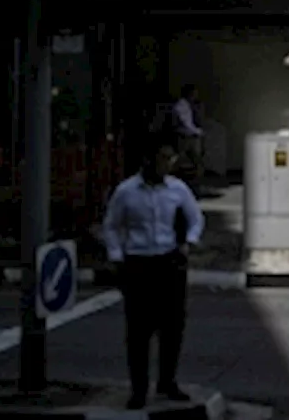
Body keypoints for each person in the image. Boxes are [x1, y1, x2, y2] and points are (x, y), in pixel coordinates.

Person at [103, 136, 205, 409]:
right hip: (138, 262)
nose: (167, 164)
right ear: (148, 160)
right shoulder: (126, 191)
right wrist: (116, 256)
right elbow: (111, 225)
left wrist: (189, 243)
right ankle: (139, 388)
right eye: (162, 158)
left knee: (172, 326)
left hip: (169, 262)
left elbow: (196, 217)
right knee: (138, 329)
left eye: (170, 159)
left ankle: (167, 381)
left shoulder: (177, 189)